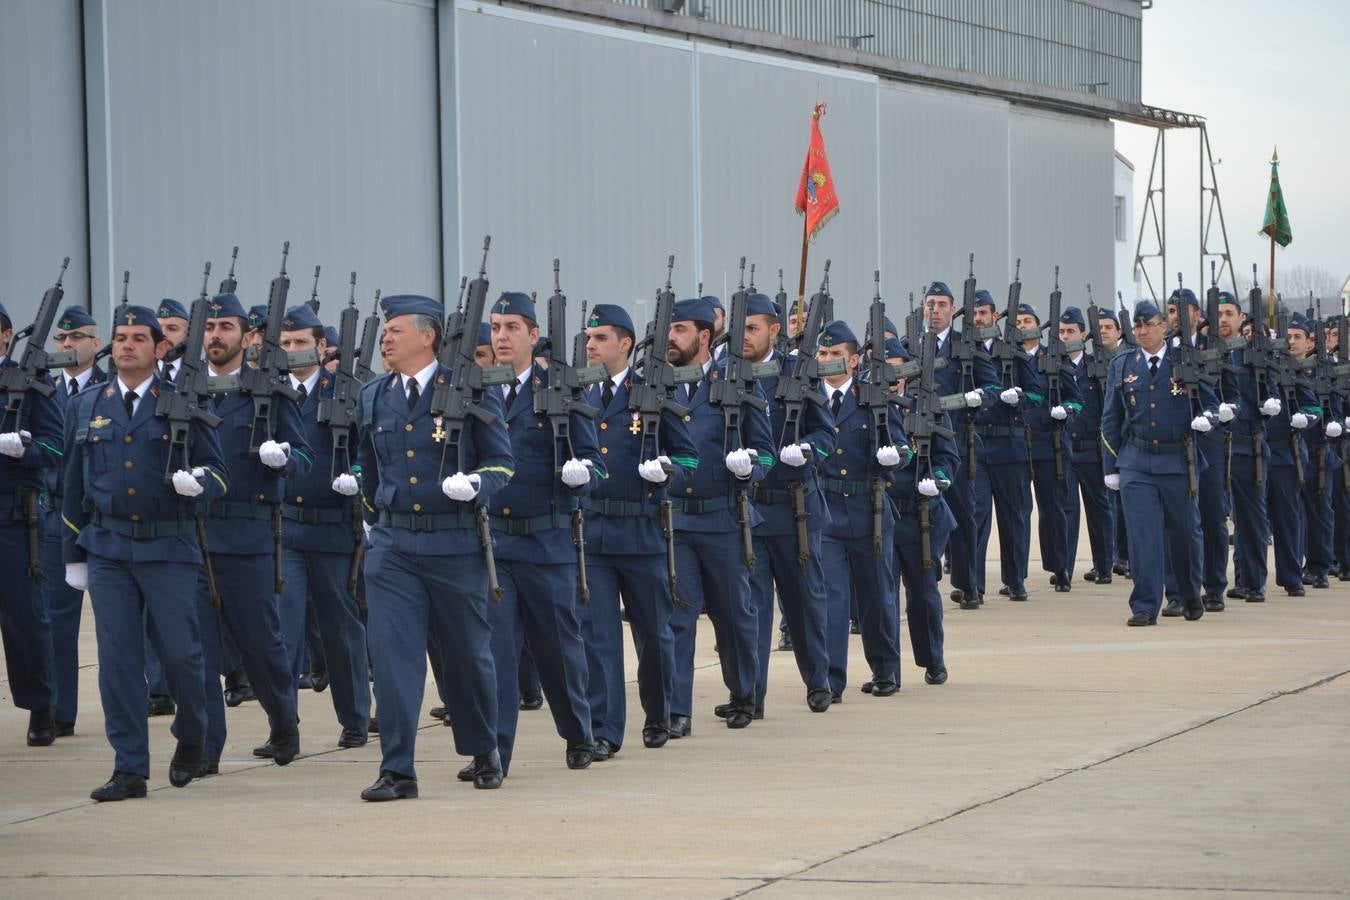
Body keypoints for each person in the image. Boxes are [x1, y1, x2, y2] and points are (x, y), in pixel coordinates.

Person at [61, 305, 227, 800]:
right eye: (120, 337)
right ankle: (130, 767)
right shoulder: (87, 405)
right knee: (118, 662)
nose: (127, 345)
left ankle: (192, 735)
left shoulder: (185, 402)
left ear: (160, 349)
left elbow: (219, 473)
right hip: (108, 548)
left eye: (138, 337)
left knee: (181, 656)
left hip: (169, 546)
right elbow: (72, 484)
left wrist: (198, 481)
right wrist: (74, 553)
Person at [353, 294, 513, 801]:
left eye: (396, 329)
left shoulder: (470, 390)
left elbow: (503, 464)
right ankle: (397, 770)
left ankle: (483, 746)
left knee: (467, 656)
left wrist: (476, 486)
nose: (386, 338)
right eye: (384, 331)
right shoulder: (374, 395)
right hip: (394, 546)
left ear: (428, 336)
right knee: (394, 660)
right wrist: (374, 514)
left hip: (455, 543)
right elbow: (368, 468)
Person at [483, 291, 604, 775]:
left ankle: (578, 733)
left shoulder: (560, 387)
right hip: (495, 542)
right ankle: (493, 755)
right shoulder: (479, 389)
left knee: (558, 648)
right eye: (495, 327)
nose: (501, 336)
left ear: (534, 335)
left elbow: (594, 461)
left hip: (547, 540)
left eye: (512, 327)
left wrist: (581, 473)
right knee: (496, 654)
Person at [199, 292, 312, 770]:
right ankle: (204, 744)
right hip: (193, 534)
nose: (215, 335)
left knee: (260, 641)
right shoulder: (184, 389)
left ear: (247, 336)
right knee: (196, 646)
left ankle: (284, 721)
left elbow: (305, 459)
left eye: (226, 327)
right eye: (209, 327)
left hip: (248, 533)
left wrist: (283, 457)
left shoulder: (267, 390)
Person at [580, 302, 698, 753]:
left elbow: (688, 457)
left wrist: (667, 470)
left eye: (601, 338)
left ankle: (660, 712)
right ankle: (605, 730)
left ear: (625, 344)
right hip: (593, 531)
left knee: (654, 633)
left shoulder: (652, 393)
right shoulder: (580, 395)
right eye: (589, 338)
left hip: (643, 530)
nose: (591, 346)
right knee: (599, 638)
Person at [667, 297, 773, 733]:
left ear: (704, 337)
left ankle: (744, 692)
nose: (671, 339)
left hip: (723, 518)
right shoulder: (660, 386)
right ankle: (677, 709)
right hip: (677, 520)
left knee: (734, 614)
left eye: (680, 331)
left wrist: (751, 466)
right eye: (668, 330)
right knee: (678, 615)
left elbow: (765, 452)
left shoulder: (737, 386)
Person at [276, 305, 371, 748]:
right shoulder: (271, 393)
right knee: (284, 626)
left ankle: (355, 719)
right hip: (287, 528)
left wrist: (356, 474)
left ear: (321, 346)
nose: (293, 351)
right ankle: (283, 726)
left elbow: (370, 449)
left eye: (300, 342)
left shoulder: (347, 392)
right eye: (286, 343)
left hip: (335, 527)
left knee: (340, 629)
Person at [743, 292, 836, 716]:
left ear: (775, 330)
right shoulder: (733, 374)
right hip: (751, 509)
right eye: (739, 328)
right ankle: (751, 694)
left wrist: (807, 451)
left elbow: (826, 434)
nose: (743, 337)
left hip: (795, 506)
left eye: (753, 328)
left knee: (804, 602)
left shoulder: (798, 372)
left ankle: (819, 680)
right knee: (752, 609)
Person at [1101, 300, 1220, 626]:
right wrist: (1111, 468)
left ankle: (1186, 593)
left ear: (1164, 327)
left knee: (1185, 534)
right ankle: (1144, 604)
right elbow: (1111, 418)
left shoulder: (1186, 360)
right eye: (1138, 326)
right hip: (1137, 462)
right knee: (1143, 536)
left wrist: (1207, 419)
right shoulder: (1123, 364)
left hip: (1178, 460)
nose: (1142, 331)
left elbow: (1210, 403)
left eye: (1149, 325)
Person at [816, 320, 910, 698]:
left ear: (854, 360)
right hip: (825, 512)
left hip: (869, 508)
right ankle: (830, 680)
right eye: (823, 354)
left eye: (836, 354)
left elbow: (903, 447)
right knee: (831, 601)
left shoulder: (874, 398)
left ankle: (886, 670)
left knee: (877, 596)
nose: (828, 361)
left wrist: (894, 458)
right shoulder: (808, 399)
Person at [41, 305, 108, 738]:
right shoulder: (42, 390)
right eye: (62, 339)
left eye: (77, 337)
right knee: (56, 620)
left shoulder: (111, 390)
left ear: (95, 344)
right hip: (56, 515)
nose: (68, 345)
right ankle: (58, 710)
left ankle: (139, 697)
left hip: (104, 517)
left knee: (120, 620)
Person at [0, 300, 63, 748]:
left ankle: (41, 707)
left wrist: (25, 449)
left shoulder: (30, 385)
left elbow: (58, 449)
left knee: (25, 619)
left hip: (13, 518)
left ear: (7, 335)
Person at [922, 282, 997, 612]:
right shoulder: (912, 344)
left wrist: (979, 397)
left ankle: (969, 583)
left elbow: (993, 383)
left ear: (952, 310)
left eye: (941, 304)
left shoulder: (965, 346)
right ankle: (928, 569)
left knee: (964, 512)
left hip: (956, 442)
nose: (934, 310)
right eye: (929, 304)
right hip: (918, 441)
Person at [886, 336, 956, 685]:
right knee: (882, 597)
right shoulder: (868, 404)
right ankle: (886, 671)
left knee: (923, 594)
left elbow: (948, 457)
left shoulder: (925, 405)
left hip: (920, 515)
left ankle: (933, 659)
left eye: (895, 369)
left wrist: (937, 479)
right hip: (881, 511)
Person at [1018, 302, 1083, 593]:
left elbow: (1076, 398)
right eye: (1017, 321)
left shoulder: (1053, 358)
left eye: (1027, 320)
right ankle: (1016, 574)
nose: (1021, 325)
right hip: (1017, 442)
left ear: (1038, 326)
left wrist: (1066, 410)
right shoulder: (1009, 358)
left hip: (1050, 444)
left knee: (1053, 508)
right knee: (1018, 511)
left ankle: (1061, 567)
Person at [1060, 306, 1115, 586]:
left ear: (1083, 334)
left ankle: (1104, 565)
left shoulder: (1097, 367)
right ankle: (1064, 570)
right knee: (1067, 511)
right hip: (1066, 452)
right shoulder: (1054, 367)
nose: (1066, 336)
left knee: (1099, 510)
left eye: (1071, 331)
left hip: (1092, 449)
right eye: (1061, 331)